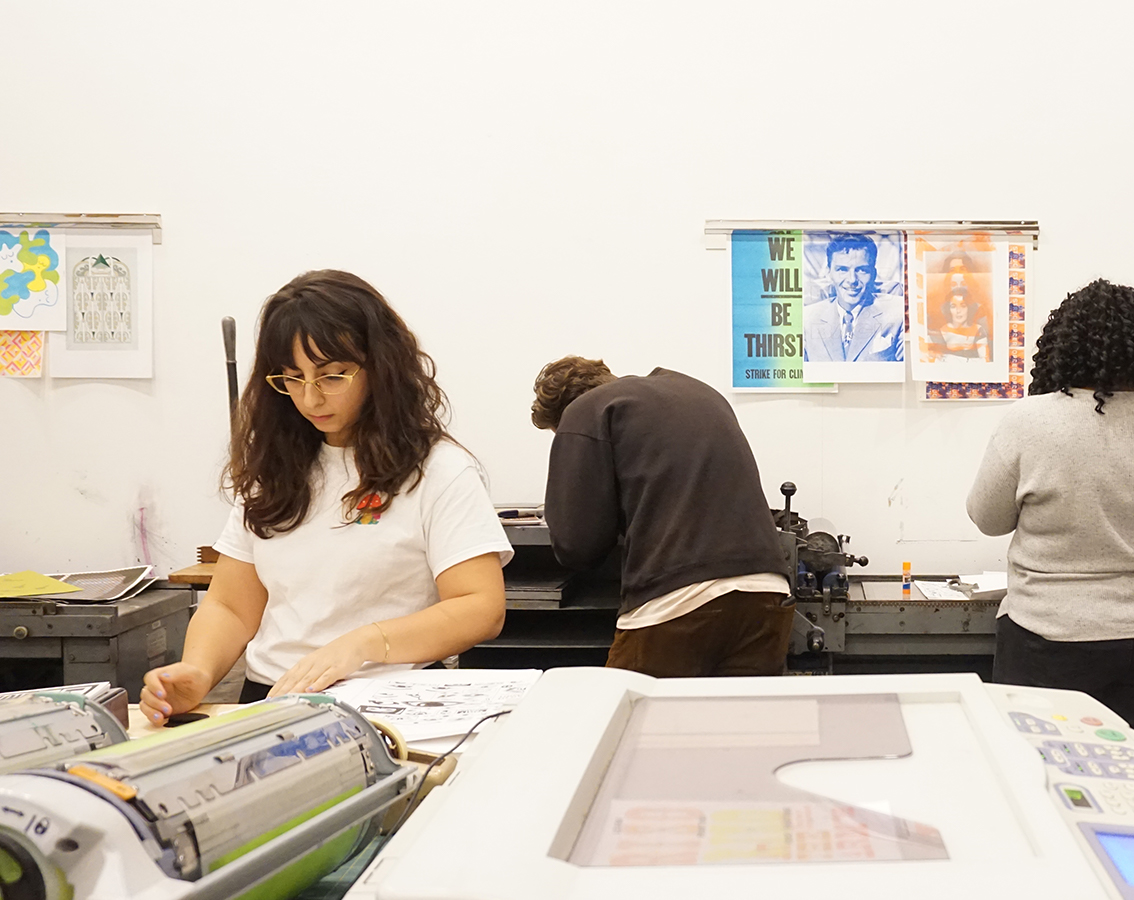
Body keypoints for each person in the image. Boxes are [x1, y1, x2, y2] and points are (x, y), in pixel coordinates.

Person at [140, 270, 511, 723]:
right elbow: (231, 606)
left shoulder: (439, 469)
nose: (310, 398)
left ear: (381, 366)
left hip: (388, 707)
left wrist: (363, 643)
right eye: (292, 379)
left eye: (332, 376)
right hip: (272, 699)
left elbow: (480, 607)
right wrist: (198, 671)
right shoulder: (275, 469)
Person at [966, 279, 1134, 799]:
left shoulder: (1028, 423)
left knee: (1052, 789)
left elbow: (987, 518)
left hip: (1053, 638)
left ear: (1062, 346)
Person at [531, 358, 793, 676]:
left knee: (626, 718)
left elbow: (576, 545)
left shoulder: (584, 411)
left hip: (677, 604)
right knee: (739, 724)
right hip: (767, 592)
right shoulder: (697, 389)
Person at [802, 233, 906, 363]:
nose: (852, 280)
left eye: (861, 270)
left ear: (873, 274)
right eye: (842, 270)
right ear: (829, 273)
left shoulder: (899, 313)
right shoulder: (807, 318)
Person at [930, 287, 991, 361]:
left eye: (963, 306)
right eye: (953, 306)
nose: (958, 311)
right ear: (948, 309)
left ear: (969, 308)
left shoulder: (978, 330)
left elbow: (985, 360)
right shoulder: (942, 332)